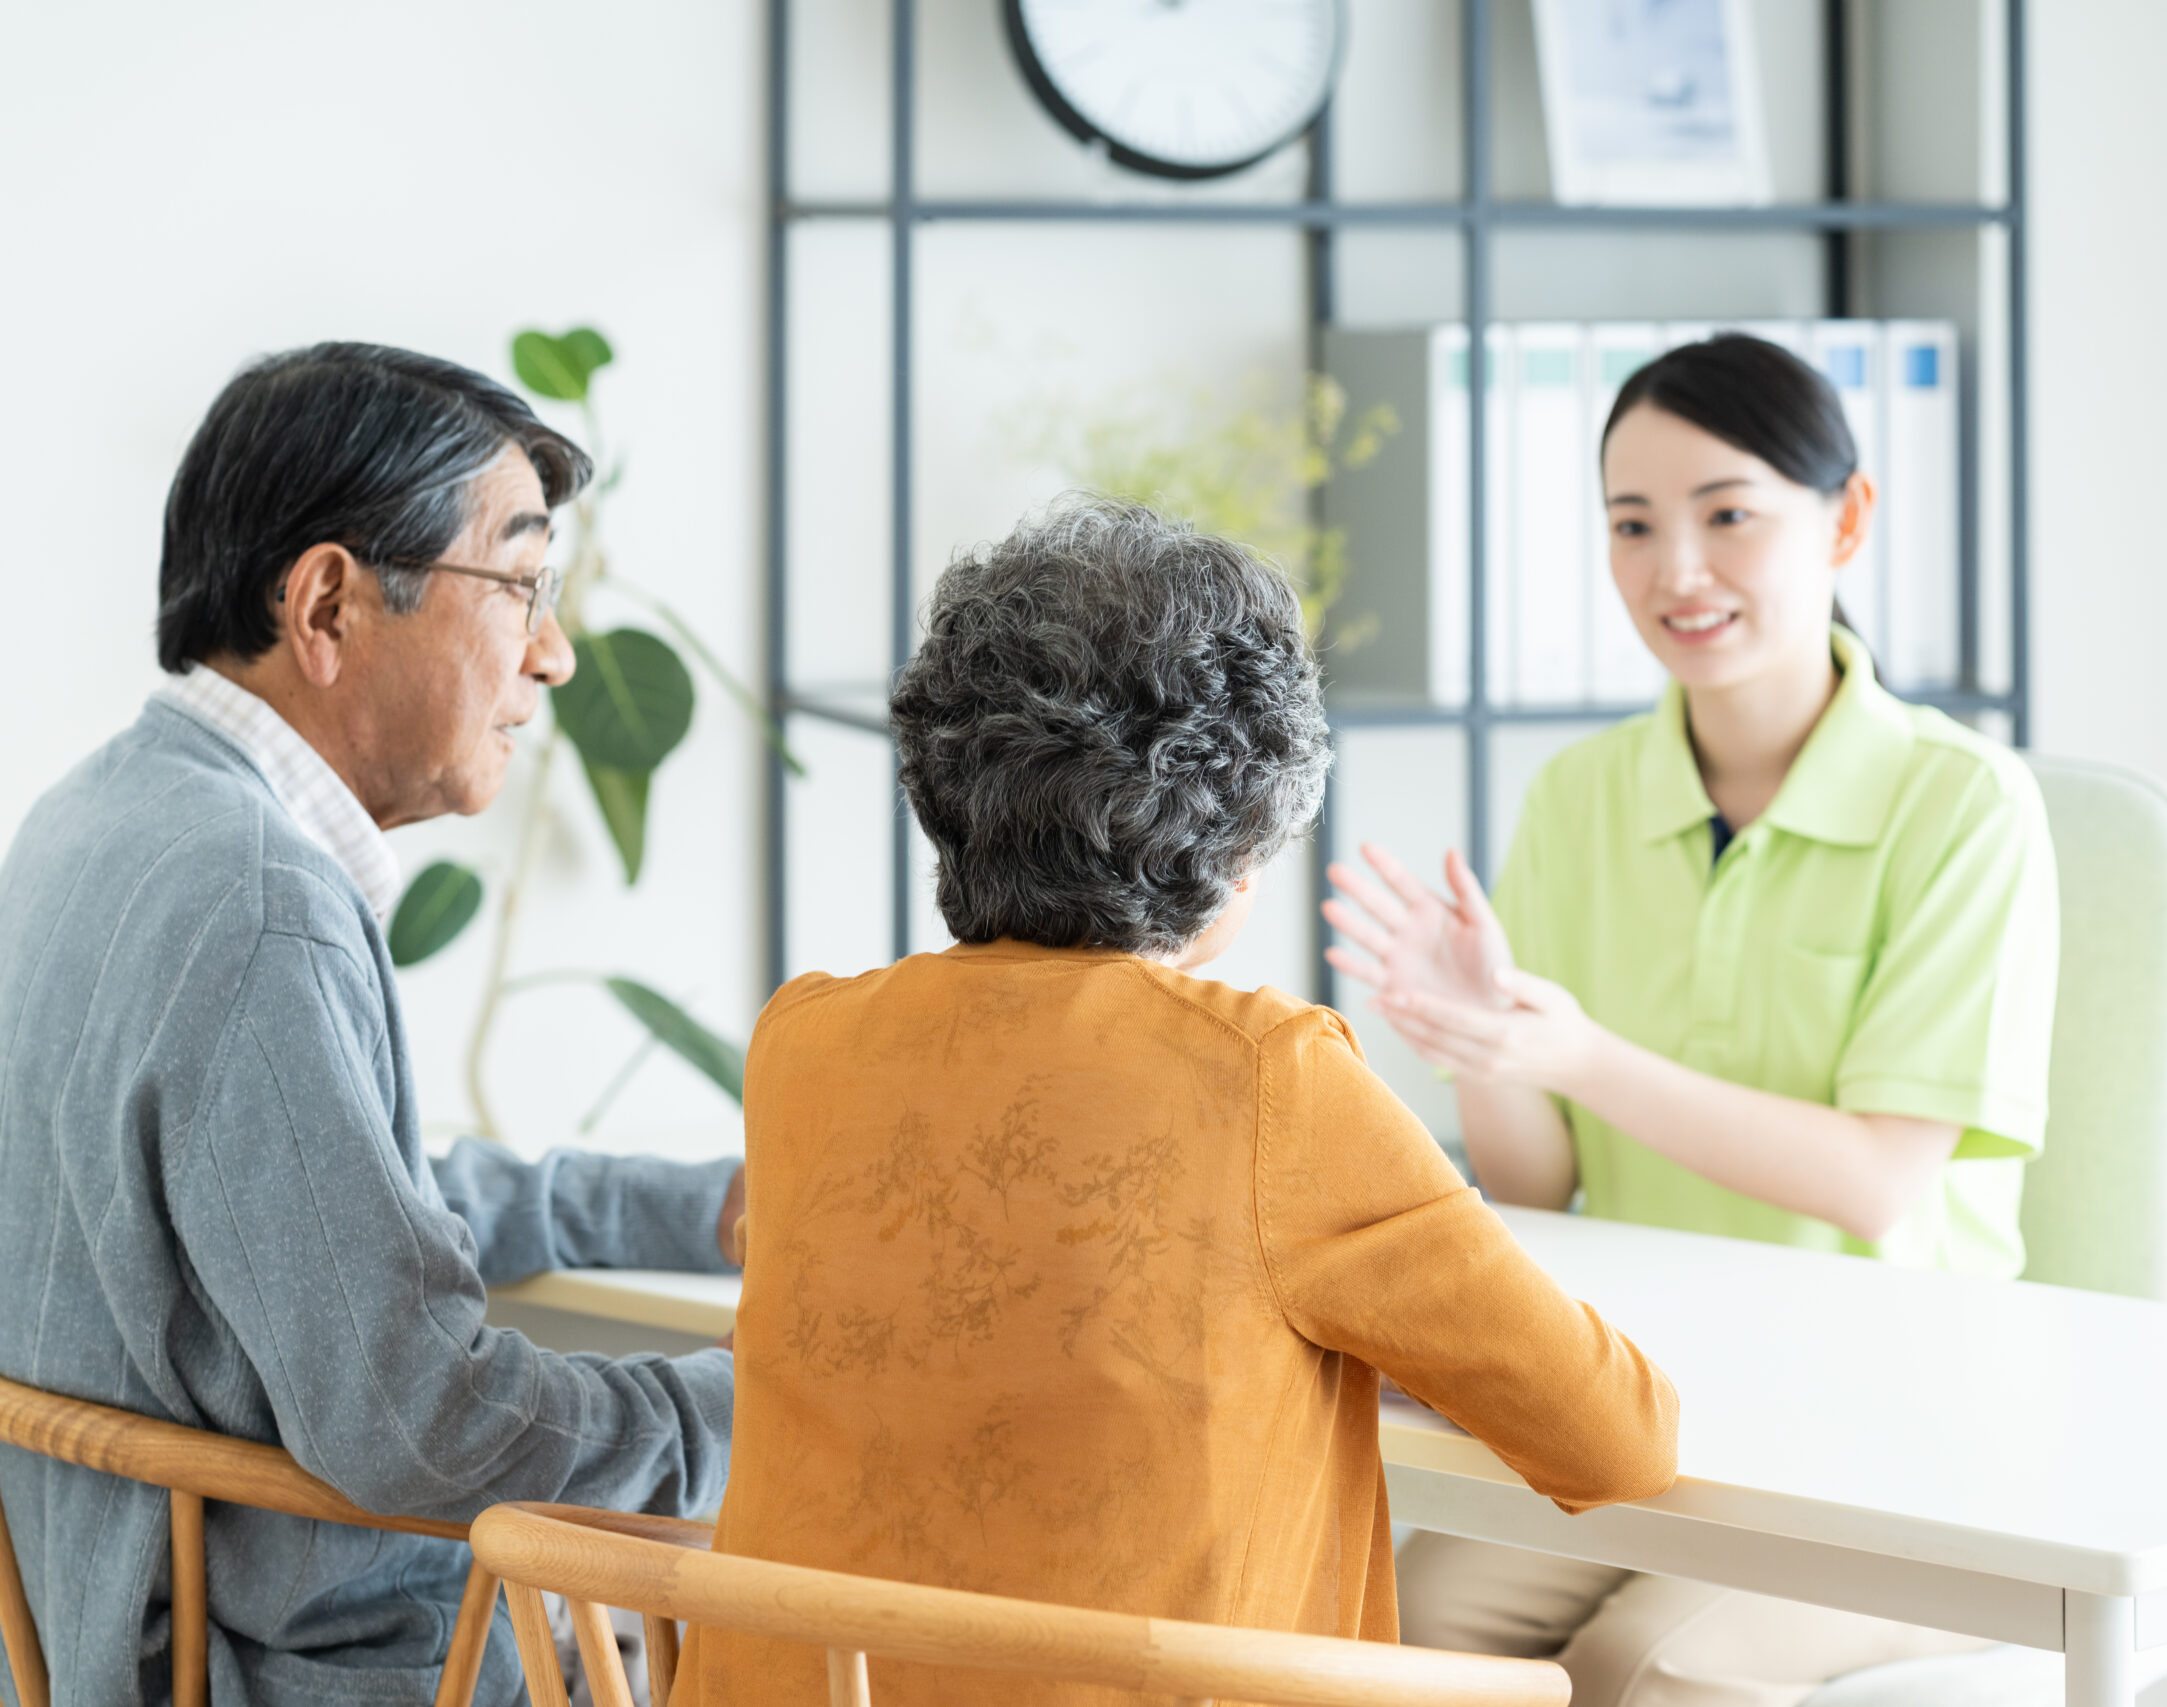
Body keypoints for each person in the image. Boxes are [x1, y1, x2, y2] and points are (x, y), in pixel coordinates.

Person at [671, 497, 1680, 1707]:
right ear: (1246, 828)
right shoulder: (1269, 1076)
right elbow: (1614, 1439)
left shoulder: (805, 1045)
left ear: (940, 788)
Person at [0, 344, 745, 1707]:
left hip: (90, 1627)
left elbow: (313, 1200)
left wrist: (702, 1209)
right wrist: (754, 1401)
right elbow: (422, 1418)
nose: (556, 651)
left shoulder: (99, 814)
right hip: (280, 1669)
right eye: (521, 582)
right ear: (331, 603)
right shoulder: (259, 897)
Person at [1326, 334, 2060, 1707]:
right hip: (1646, 1407)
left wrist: (1580, 1051)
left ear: (1845, 518)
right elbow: (1546, 1184)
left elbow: (1878, 1176)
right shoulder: (1580, 796)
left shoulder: (1963, 806)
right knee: (1388, 1635)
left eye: (1730, 514)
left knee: (1652, 1664)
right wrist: (1486, 1047)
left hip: (1895, 1428)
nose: (1678, 571)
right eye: (1633, 525)